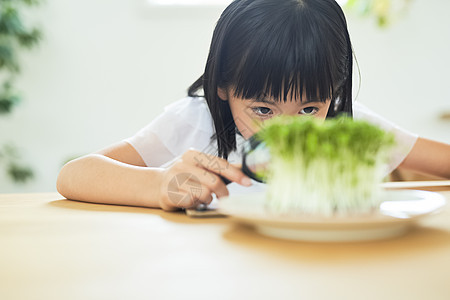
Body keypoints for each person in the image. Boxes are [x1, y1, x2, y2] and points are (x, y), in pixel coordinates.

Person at [56, 0, 450, 211]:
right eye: (263, 109)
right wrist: (157, 184)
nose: (287, 130)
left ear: (336, 90)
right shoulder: (195, 123)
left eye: (310, 109)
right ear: (224, 86)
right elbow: (75, 175)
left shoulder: (349, 126)